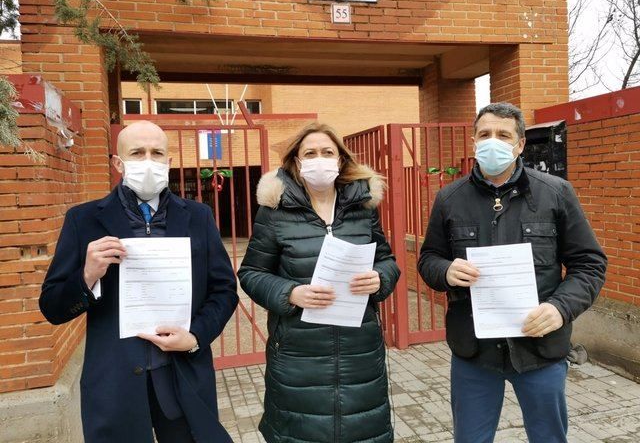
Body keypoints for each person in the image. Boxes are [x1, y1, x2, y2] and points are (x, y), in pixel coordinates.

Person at [417, 102, 607, 443]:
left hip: (540, 349)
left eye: (503, 135)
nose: (493, 141)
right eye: (484, 134)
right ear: (474, 141)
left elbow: (589, 264)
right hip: (474, 352)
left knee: (548, 437)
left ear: (520, 144)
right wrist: (445, 270)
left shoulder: (555, 193)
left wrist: (560, 308)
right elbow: (428, 258)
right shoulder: (449, 198)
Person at [39, 121, 238, 443]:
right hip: (115, 382)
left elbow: (224, 290)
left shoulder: (198, 216)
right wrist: (88, 274)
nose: (148, 160)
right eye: (137, 152)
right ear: (118, 163)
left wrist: (196, 337)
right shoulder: (84, 219)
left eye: (157, 153)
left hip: (181, 376)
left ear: (169, 162)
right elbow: (53, 308)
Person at [238, 123, 400, 443]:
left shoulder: (362, 207)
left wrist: (380, 278)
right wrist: (290, 293)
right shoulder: (275, 211)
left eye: (328, 152)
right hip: (298, 357)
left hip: (360, 353)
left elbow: (387, 261)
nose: (319, 159)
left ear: (340, 160)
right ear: (296, 163)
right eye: (309, 153)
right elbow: (251, 273)